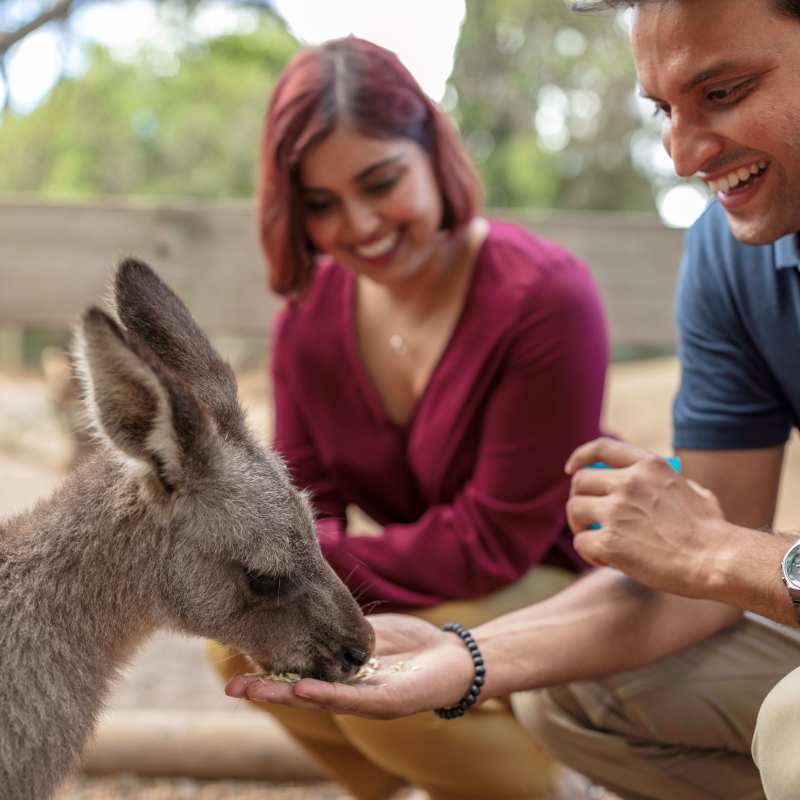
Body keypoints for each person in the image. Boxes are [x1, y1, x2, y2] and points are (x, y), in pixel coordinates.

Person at [226, 3, 800, 799]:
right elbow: (705, 569)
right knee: (553, 691)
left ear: (432, 152)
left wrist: (719, 553)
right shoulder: (726, 257)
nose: (680, 157)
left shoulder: (540, 293)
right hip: (518, 592)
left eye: (726, 92)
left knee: (792, 721)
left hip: (533, 571)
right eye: (663, 112)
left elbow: (510, 543)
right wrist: (464, 660)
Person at [209, 35, 610, 800]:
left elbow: (492, 541)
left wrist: (293, 568)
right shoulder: (307, 320)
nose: (359, 225)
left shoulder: (546, 299)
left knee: (377, 669)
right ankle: (431, 784)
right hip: (431, 580)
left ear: (432, 149)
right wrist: (283, 575)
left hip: (552, 580)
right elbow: (308, 504)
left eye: (381, 182)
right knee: (241, 645)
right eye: (322, 204)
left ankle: (565, 788)